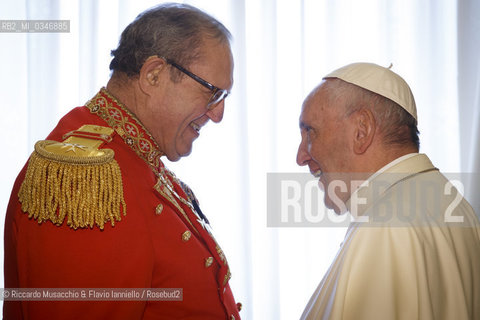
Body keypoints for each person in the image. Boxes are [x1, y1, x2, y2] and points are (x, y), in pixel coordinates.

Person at [4, 3, 242, 319]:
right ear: (153, 74)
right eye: (213, 93)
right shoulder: (84, 177)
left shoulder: (135, 157)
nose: (218, 114)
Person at [296, 62, 480, 319]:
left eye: (310, 132)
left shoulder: (383, 228)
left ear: (362, 131)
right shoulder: (456, 205)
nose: (301, 156)